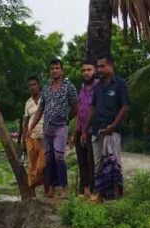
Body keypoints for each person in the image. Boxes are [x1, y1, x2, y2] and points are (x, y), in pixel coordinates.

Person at [82, 53, 130, 203]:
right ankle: (99, 197)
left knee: (114, 163)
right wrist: (85, 130)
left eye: (102, 66)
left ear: (111, 65)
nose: (99, 69)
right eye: (98, 67)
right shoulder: (97, 87)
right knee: (99, 164)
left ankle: (118, 197)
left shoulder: (120, 84)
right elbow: (92, 108)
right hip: (97, 130)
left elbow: (125, 106)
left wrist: (114, 125)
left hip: (112, 130)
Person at [28, 58, 78, 199]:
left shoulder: (69, 86)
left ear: (61, 70)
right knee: (49, 159)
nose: (54, 71)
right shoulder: (46, 88)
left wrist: (67, 118)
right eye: (52, 68)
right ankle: (51, 189)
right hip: (47, 128)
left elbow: (75, 106)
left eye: (57, 68)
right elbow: (40, 110)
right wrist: (31, 127)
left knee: (59, 157)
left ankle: (64, 189)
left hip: (61, 127)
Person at [70, 59, 98, 199]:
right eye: (84, 70)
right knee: (82, 161)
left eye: (89, 70)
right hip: (81, 129)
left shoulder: (99, 87)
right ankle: (86, 192)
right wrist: (75, 133)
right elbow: (79, 111)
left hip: (93, 130)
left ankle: (95, 192)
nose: (86, 73)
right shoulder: (81, 89)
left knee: (93, 161)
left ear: (95, 71)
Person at [22, 76, 47, 196]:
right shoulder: (28, 103)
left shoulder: (46, 98)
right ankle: (33, 192)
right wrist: (23, 137)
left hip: (45, 136)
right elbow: (26, 121)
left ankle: (47, 189)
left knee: (43, 165)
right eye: (30, 85)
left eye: (34, 84)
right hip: (31, 137)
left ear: (39, 85)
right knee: (32, 165)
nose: (32, 87)